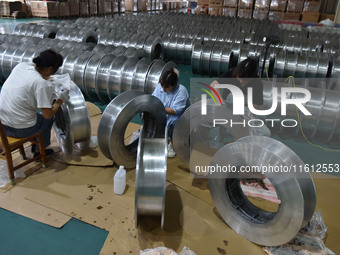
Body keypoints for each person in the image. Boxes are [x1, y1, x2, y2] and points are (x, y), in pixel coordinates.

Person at [0, 49, 68, 157]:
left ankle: (37, 145)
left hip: (3, 125)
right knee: (50, 117)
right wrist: (59, 101)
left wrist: (46, 78)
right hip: (19, 130)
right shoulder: (40, 83)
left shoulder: (21, 66)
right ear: (50, 69)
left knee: (33, 114)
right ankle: (39, 151)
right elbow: (47, 114)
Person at [152, 67, 190, 158]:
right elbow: (153, 100)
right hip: (164, 115)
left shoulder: (181, 91)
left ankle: (173, 144)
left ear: (174, 85)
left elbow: (176, 110)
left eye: (167, 87)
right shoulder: (159, 87)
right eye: (162, 85)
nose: (163, 89)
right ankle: (156, 135)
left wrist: (159, 109)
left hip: (178, 119)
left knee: (176, 123)